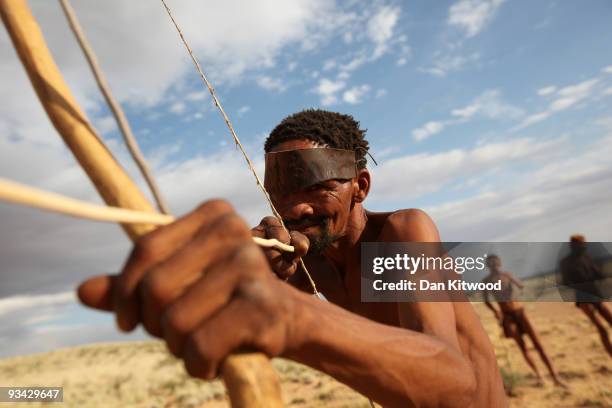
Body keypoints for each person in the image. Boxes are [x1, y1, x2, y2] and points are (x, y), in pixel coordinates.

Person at [77, 109, 507, 407]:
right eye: (281, 192)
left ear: (360, 186)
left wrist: (291, 316)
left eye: (317, 187)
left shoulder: (401, 233)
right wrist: (255, 284)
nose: (296, 208)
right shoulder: (303, 269)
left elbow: (456, 388)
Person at [482, 254, 564, 387]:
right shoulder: (486, 281)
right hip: (507, 316)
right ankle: (539, 375)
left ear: (499, 263)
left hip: (520, 312)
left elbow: (520, 286)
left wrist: (514, 292)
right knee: (522, 346)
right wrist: (496, 311)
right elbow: (486, 301)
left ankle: (555, 376)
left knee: (538, 344)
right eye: (491, 263)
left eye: (496, 262)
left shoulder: (507, 275)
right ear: (488, 265)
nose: (494, 265)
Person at [559, 234, 612, 357]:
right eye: (582, 244)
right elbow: (566, 282)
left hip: (595, 294)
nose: (585, 246)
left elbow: (598, 274)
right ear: (574, 246)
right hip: (583, 298)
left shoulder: (586, 258)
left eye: (585, 243)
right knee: (601, 328)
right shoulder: (565, 263)